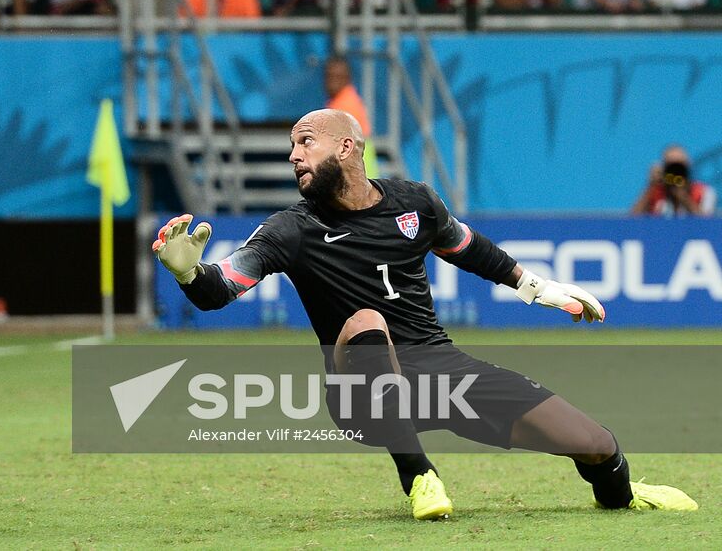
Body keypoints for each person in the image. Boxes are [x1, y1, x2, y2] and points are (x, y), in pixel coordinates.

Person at [154, 108, 698, 521]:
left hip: (443, 373)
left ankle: (626, 497)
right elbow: (219, 288)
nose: (293, 155)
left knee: (595, 443)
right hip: (358, 389)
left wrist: (546, 291)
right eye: (291, 147)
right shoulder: (290, 230)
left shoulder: (415, 202)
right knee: (367, 322)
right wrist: (187, 274)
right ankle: (418, 475)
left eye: (304, 142)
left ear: (346, 147)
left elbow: (472, 250)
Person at [324, 55, 377, 177]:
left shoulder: (346, 104)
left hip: (357, 169)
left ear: (347, 78)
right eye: (329, 76)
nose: (332, 82)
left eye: (338, 77)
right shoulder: (340, 100)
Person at [632, 145, 717, 216]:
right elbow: (629, 223)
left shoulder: (704, 192)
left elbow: (707, 225)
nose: (676, 172)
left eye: (680, 166)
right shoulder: (655, 192)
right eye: (671, 167)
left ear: (688, 166)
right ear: (664, 168)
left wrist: (683, 197)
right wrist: (650, 186)